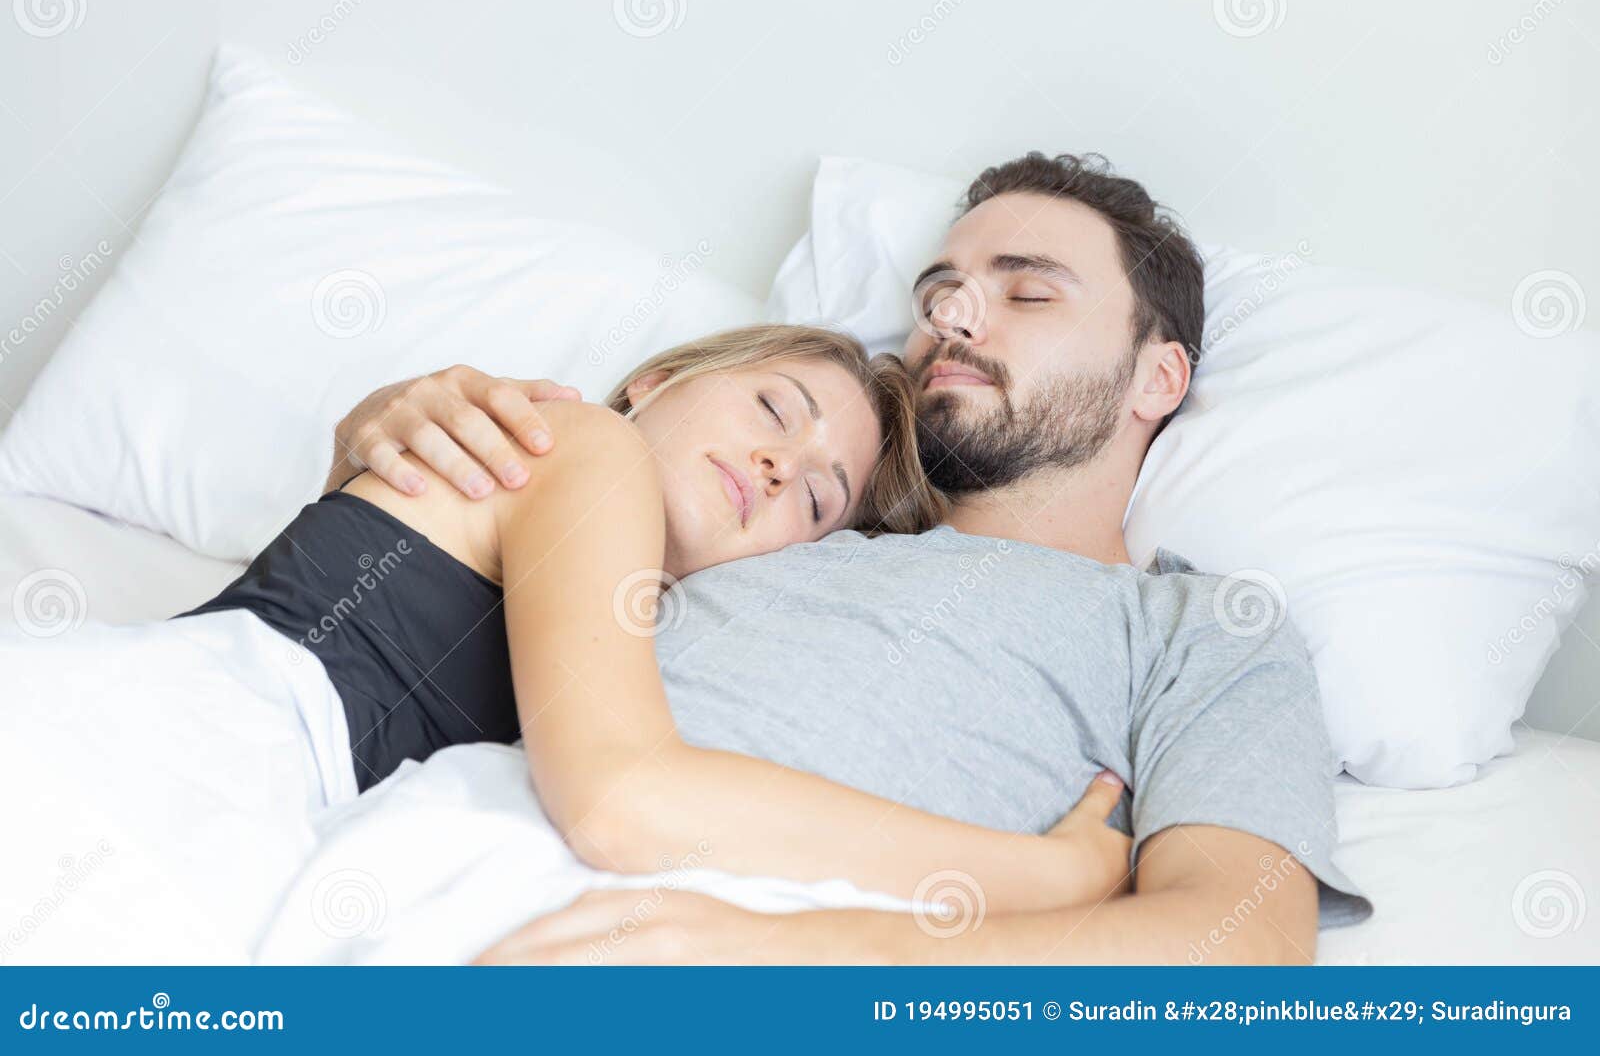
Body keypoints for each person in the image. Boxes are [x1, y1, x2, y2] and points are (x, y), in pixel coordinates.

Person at [335, 152, 1372, 964]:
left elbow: (1237, 946)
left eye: (1027, 293)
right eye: (939, 292)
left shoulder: (1198, 629)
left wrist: (806, 957)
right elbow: (420, 626)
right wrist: (378, 440)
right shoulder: (778, 513)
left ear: (1158, 375)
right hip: (414, 872)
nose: (951, 317)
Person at [0, 323, 1140, 960]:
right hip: (143, 750)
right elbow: (624, 799)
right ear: (657, 379)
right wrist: (1042, 873)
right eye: (772, 410)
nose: (779, 467)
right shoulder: (584, 446)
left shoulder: (640, 622)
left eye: (819, 495)